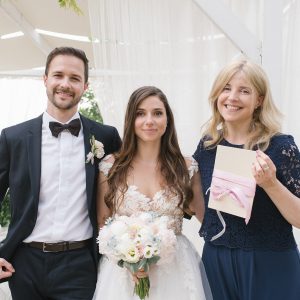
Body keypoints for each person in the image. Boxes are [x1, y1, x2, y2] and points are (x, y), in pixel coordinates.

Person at [0, 46, 121, 299]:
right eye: (58, 75)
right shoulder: (13, 138)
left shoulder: (106, 137)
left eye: (75, 78)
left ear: (85, 86)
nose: (65, 84)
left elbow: (124, 193)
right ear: (45, 79)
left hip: (80, 264)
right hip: (24, 263)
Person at [193, 58, 300, 300]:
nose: (232, 97)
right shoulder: (208, 146)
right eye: (226, 88)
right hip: (217, 261)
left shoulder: (280, 147)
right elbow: (202, 205)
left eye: (244, 91)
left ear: (259, 100)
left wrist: (270, 184)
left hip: (269, 263)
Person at [92, 86, 212, 299]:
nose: (150, 120)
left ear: (168, 120)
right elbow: (103, 223)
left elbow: (207, 219)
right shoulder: (111, 166)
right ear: (131, 120)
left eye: (157, 113)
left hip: (175, 269)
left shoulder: (187, 167)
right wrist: (127, 258)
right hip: (124, 274)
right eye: (140, 113)